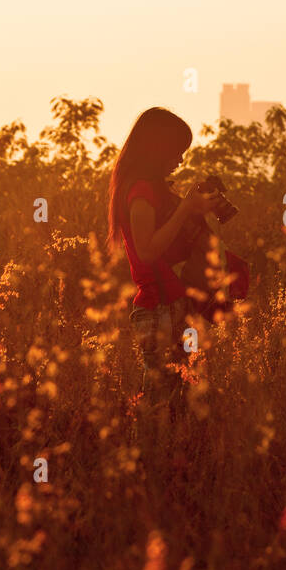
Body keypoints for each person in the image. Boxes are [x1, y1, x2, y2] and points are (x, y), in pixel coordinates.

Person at [108, 107, 247, 405]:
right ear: (158, 149)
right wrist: (185, 208)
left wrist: (196, 209)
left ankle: (170, 450)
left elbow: (172, 243)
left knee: (183, 397)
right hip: (160, 310)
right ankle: (152, 450)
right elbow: (147, 251)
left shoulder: (153, 190)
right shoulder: (141, 190)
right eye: (176, 151)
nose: (180, 160)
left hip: (175, 307)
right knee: (162, 403)